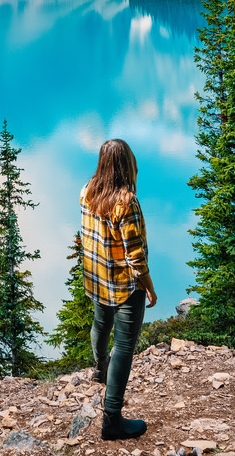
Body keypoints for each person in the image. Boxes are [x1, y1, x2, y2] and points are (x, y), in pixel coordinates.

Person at [80, 138, 157, 440]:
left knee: (101, 324)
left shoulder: (87, 190)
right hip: (125, 285)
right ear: (128, 165)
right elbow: (134, 254)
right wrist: (148, 286)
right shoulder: (126, 203)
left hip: (98, 279)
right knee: (124, 348)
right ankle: (112, 419)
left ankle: (100, 367)